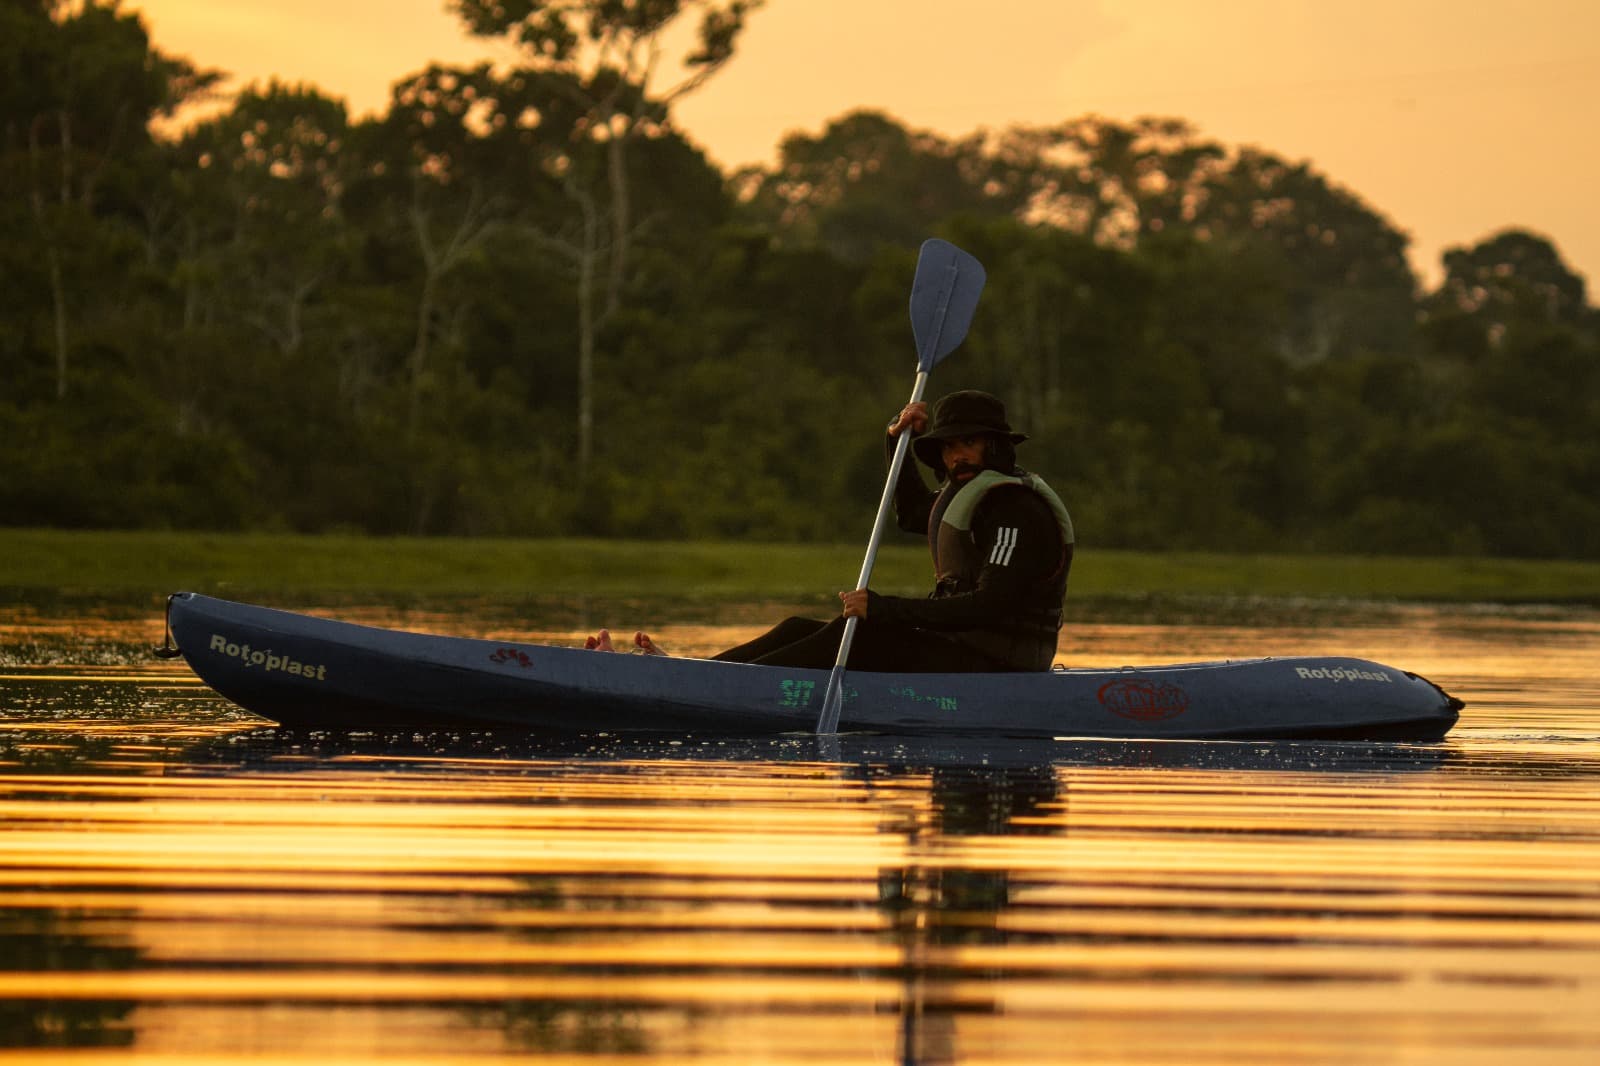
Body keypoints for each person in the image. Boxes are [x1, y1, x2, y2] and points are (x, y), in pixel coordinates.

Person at [587, 390, 1074, 672]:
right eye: (947, 448)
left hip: (1000, 666)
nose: (954, 457)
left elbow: (991, 604)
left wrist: (884, 609)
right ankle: (700, 674)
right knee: (804, 628)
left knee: (856, 635)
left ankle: (702, 684)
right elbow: (909, 514)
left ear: (996, 448)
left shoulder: (1015, 510)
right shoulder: (974, 499)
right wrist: (896, 440)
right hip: (964, 650)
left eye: (968, 445)